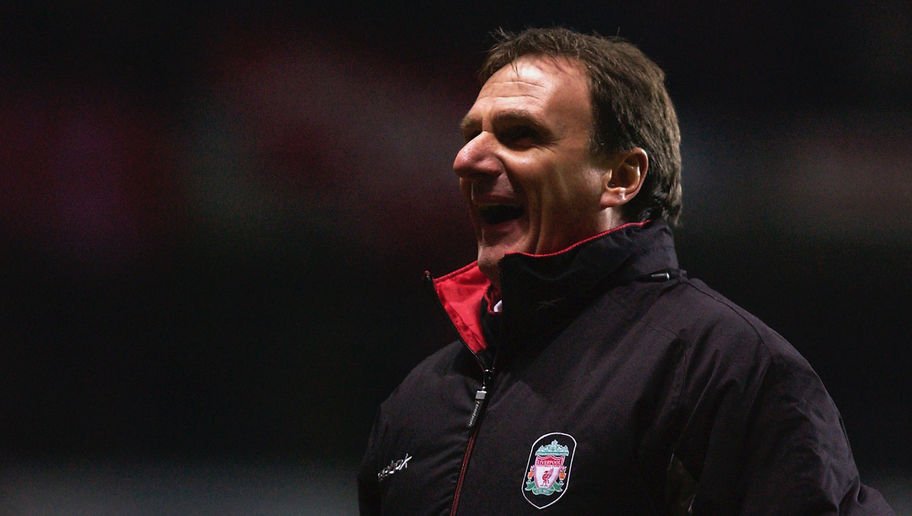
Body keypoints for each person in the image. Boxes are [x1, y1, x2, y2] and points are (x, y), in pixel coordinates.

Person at [358, 27, 892, 514]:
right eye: (471, 134)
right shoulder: (418, 403)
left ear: (620, 176)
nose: (467, 159)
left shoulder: (721, 369)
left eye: (520, 135)